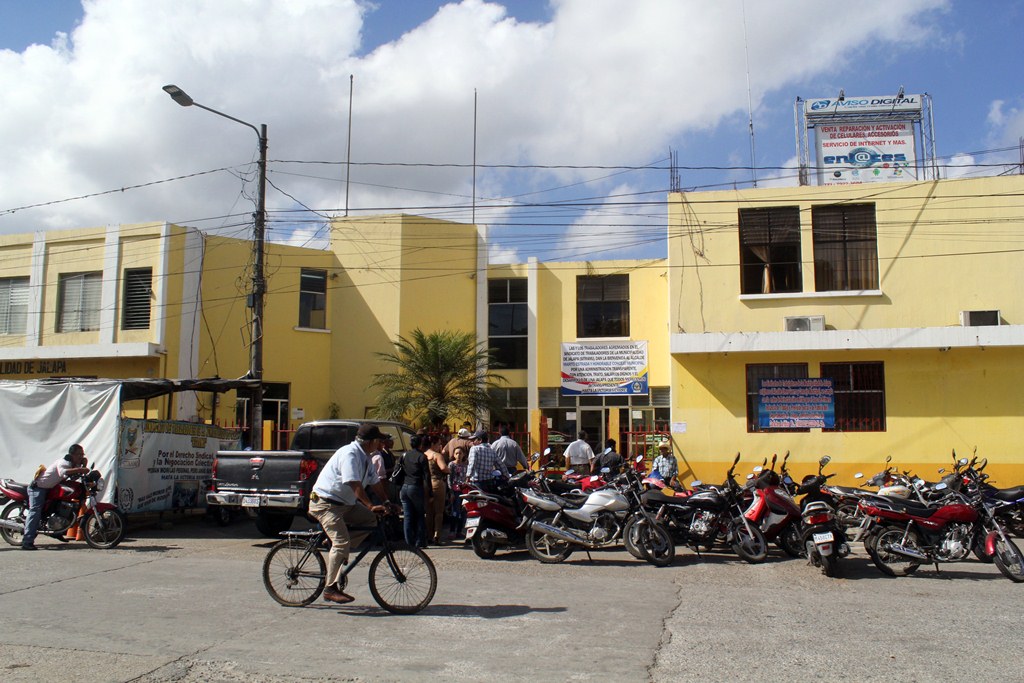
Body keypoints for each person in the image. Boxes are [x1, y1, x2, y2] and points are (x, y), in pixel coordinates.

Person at [308, 424, 393, 604]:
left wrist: (386, 502)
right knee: (342, 542)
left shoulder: (367, 457)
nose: (380, 443)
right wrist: (370, 505)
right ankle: (330, 588)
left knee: (370, 520)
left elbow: (375, 482)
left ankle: (336, 547)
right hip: (326, 503)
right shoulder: (350, 454)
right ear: (370, 442)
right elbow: (354, 483)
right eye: (378, 440)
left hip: (345, 504)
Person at [22, 444, 90, 550]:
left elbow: (75, 475)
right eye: (79, 454)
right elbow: (63, 472)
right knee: (35, 511)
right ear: (72, 454)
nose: (81, 456)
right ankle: (27, 541)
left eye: (82, 454)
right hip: (39, 488)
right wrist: (80, 469)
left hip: (51, 488)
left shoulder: (73, 464)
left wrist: (83, 465)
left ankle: (57, 530)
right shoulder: (64, 462)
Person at [399, 433, 432, 548]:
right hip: (416, 487)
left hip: (404, 487)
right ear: (420, 444)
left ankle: (409, 542)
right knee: (420, 514)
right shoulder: (422, 457)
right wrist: (430, 492)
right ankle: (420, 541)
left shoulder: (404, 455)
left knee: (407, 516)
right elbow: (427, 476)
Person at [424, 434, 449, 545]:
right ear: (433, 444)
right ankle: (437, 536)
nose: (440, 446)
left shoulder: (423, 455)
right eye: (439, 443)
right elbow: (443, 468)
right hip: (437, 482)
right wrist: (449, 470)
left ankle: (428, 535)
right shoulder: (436, 456)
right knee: (438, 512)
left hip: (426, 483)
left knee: (429, 512)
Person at [466, 429, 509, 494]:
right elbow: (501, 465)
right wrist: (507, 476)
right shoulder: (492, 451)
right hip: (490, 483)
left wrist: (467, 478)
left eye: (474, 440)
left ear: (480, 440)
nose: (473, 442)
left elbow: (472, 464)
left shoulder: (474, 449)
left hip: (477, 483)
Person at [447, 445, 469, 539]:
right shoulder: (451, 465)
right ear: (454, 455)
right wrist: (451, 492)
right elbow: (449, 479)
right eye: (457, 453)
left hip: (464, 491)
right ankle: (452, 531)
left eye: (460, 453)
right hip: (455, 492)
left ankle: (459, 531)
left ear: (464, 454)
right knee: (454, 512)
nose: (458, 455)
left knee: (463, 512)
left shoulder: (466, 465)